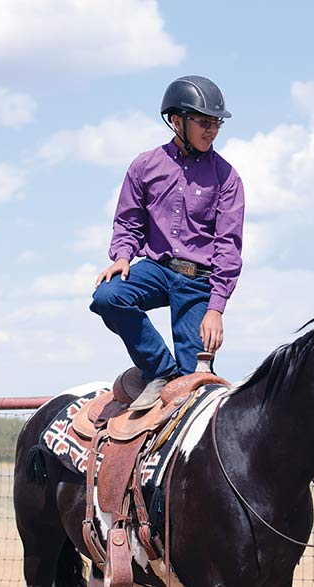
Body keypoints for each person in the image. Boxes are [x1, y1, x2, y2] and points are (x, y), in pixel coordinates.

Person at [90, 75, 245, 411]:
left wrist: (216, 308)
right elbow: (128, 222)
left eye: (216, 123)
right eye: (203, 122)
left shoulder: (227, 177)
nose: (212, 130)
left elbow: (228, 246)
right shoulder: (144, 166)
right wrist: (122, 256)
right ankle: (160, 370)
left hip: (199, 282)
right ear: (177, 121)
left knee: (194, 391)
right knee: (108, 295)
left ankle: (180, 385)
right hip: (157, 269)